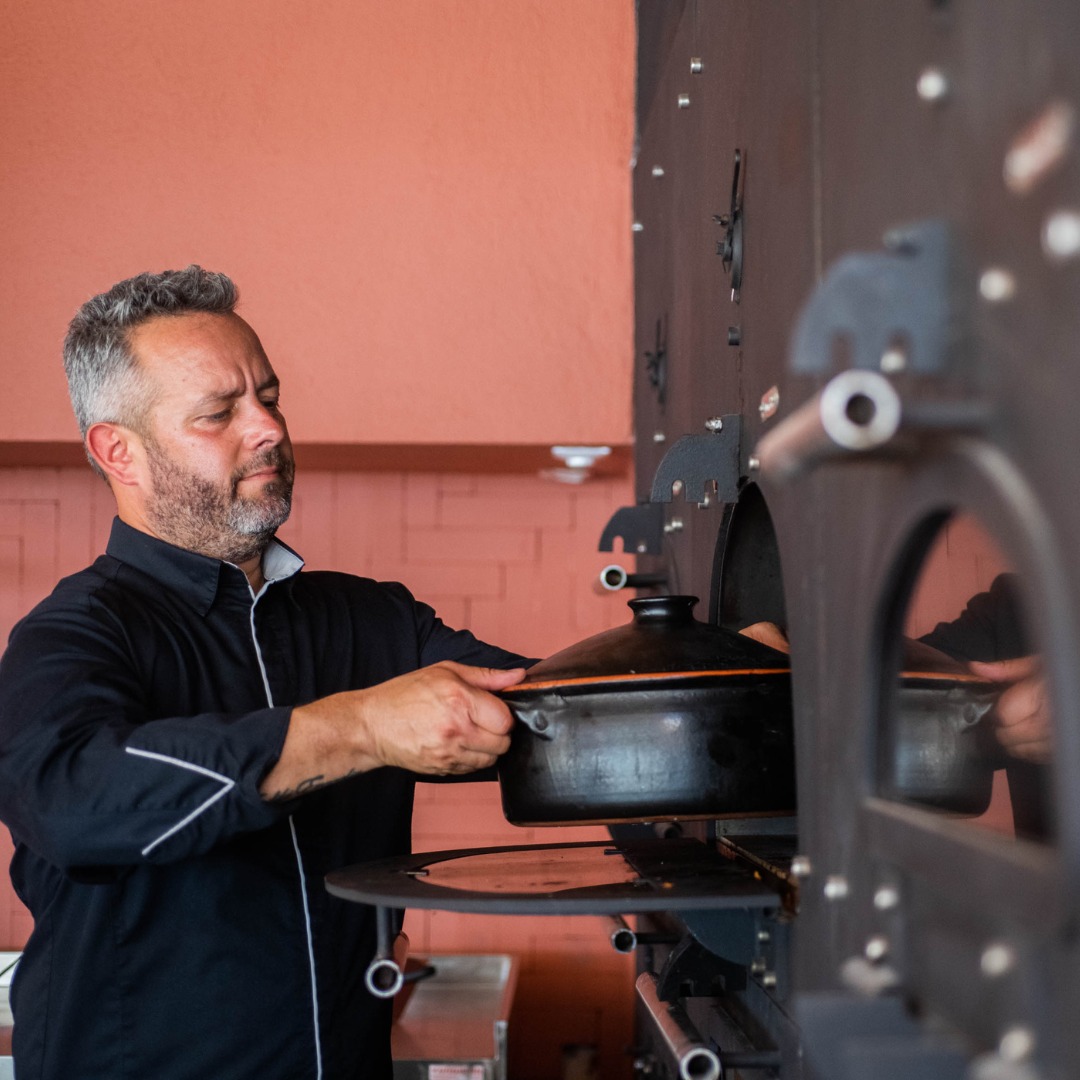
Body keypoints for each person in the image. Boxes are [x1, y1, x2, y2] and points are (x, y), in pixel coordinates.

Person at [0, 267, 529, 1080]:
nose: (269, 428)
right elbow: (74, 801)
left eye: (269, 397)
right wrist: (358, 729)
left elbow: (544, 711)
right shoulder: (73, 634)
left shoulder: (371, 621)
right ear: (118, 451)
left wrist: (699, 674)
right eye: (220, 413)